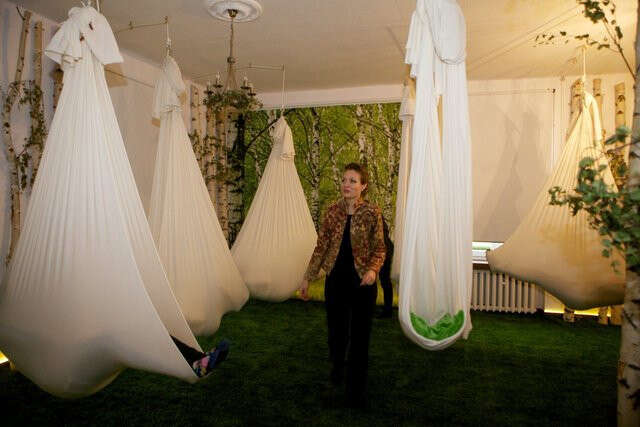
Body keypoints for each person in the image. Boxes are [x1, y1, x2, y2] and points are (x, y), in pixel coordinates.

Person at [299, 163, 386, 406]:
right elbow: (321, 247)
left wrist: (372, 270)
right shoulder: (332, 211)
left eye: (353, 181)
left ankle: (356, 389)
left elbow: (380, 248)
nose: (346, 185)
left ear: (363, 186)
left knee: (360, 337)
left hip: (363, 284)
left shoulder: (372, 212)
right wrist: (307, 277)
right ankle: (337, 372)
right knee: (337, 334)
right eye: (344, 180)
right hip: (336, 281)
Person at [377, 216, 394, 318]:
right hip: (386, 249)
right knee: (385, 282)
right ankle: (387, 309)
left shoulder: (376, 216)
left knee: (385, 281)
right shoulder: (379, 217)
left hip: (384, 251)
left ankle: (387, 310)